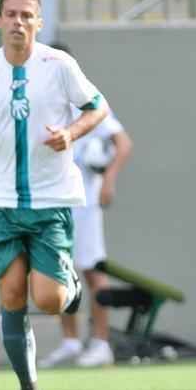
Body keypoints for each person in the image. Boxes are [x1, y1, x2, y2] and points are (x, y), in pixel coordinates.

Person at [0, 0, 110, 390]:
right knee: (12, 293)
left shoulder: (59, 65)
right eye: (11, 14)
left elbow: (98, 107)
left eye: (26, 15)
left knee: (51, 300)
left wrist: (71, 133)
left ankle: (68, 286)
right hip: (1, 201)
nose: (18, 22)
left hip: (51, 199)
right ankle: (28, 389)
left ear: (38, 22)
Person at [41, 103, 132, 368]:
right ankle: (70, 341)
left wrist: (108, 180)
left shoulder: (90, 102)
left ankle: (101, 343)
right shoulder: (47, 102)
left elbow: (124, 144)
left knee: (92, 269)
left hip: (85, 201)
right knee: (60, 270)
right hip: (55, 199)